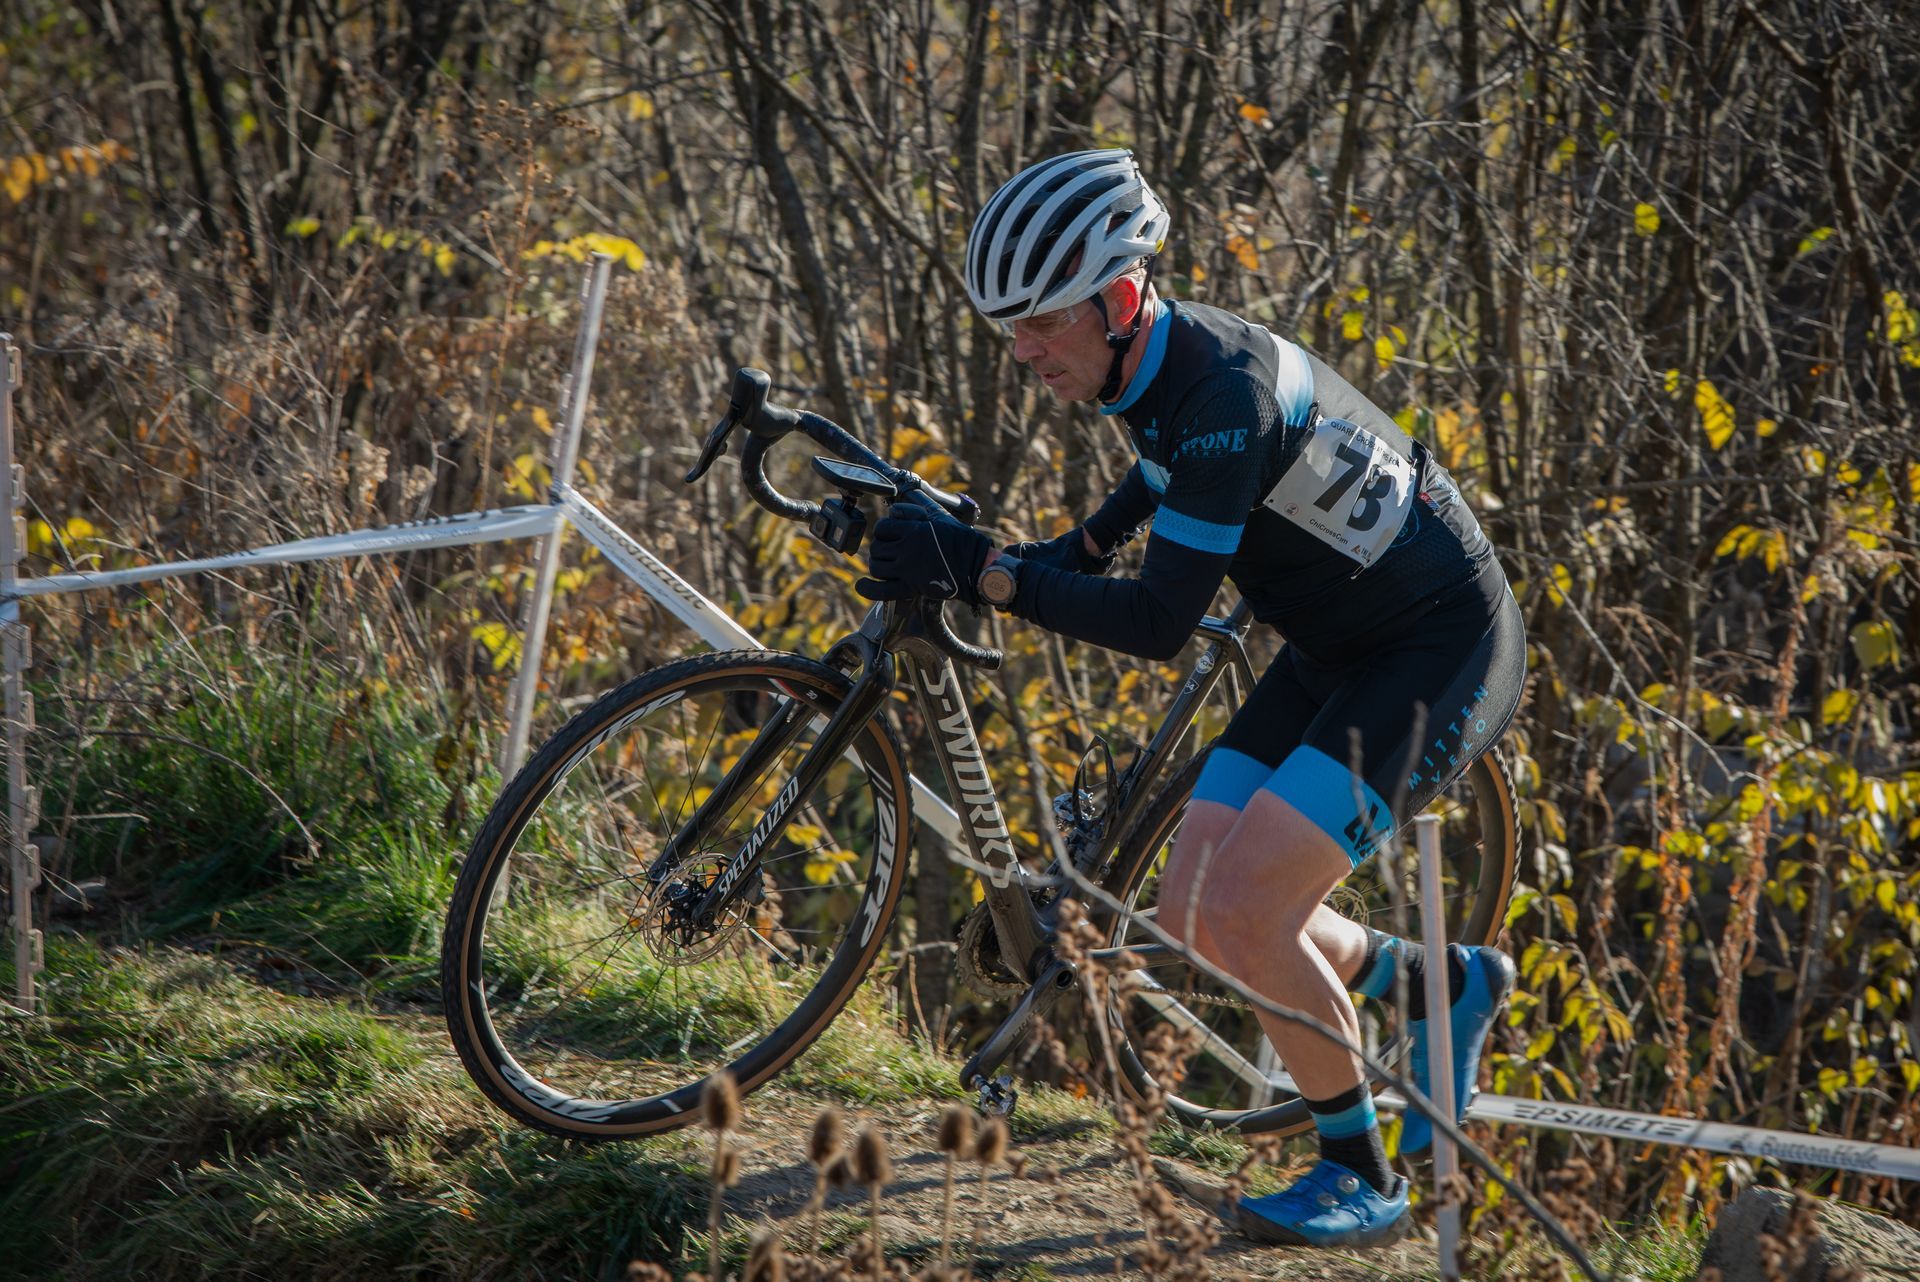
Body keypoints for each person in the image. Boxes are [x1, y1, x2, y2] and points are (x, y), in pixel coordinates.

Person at [854, 148, 1525, 1249]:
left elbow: (1160, 625)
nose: (1021, 352)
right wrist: (1052, 549)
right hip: (1333, 639)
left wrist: (990, 571)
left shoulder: (1222, 398)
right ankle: (1441, 980)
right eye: (1007, 327)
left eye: (1040, 324)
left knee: (1250, 911)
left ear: (1119, 298)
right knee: (1187, 912)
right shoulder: (1151, 361)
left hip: (1435, 649)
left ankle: (1360, 1174)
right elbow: (1149, 472)